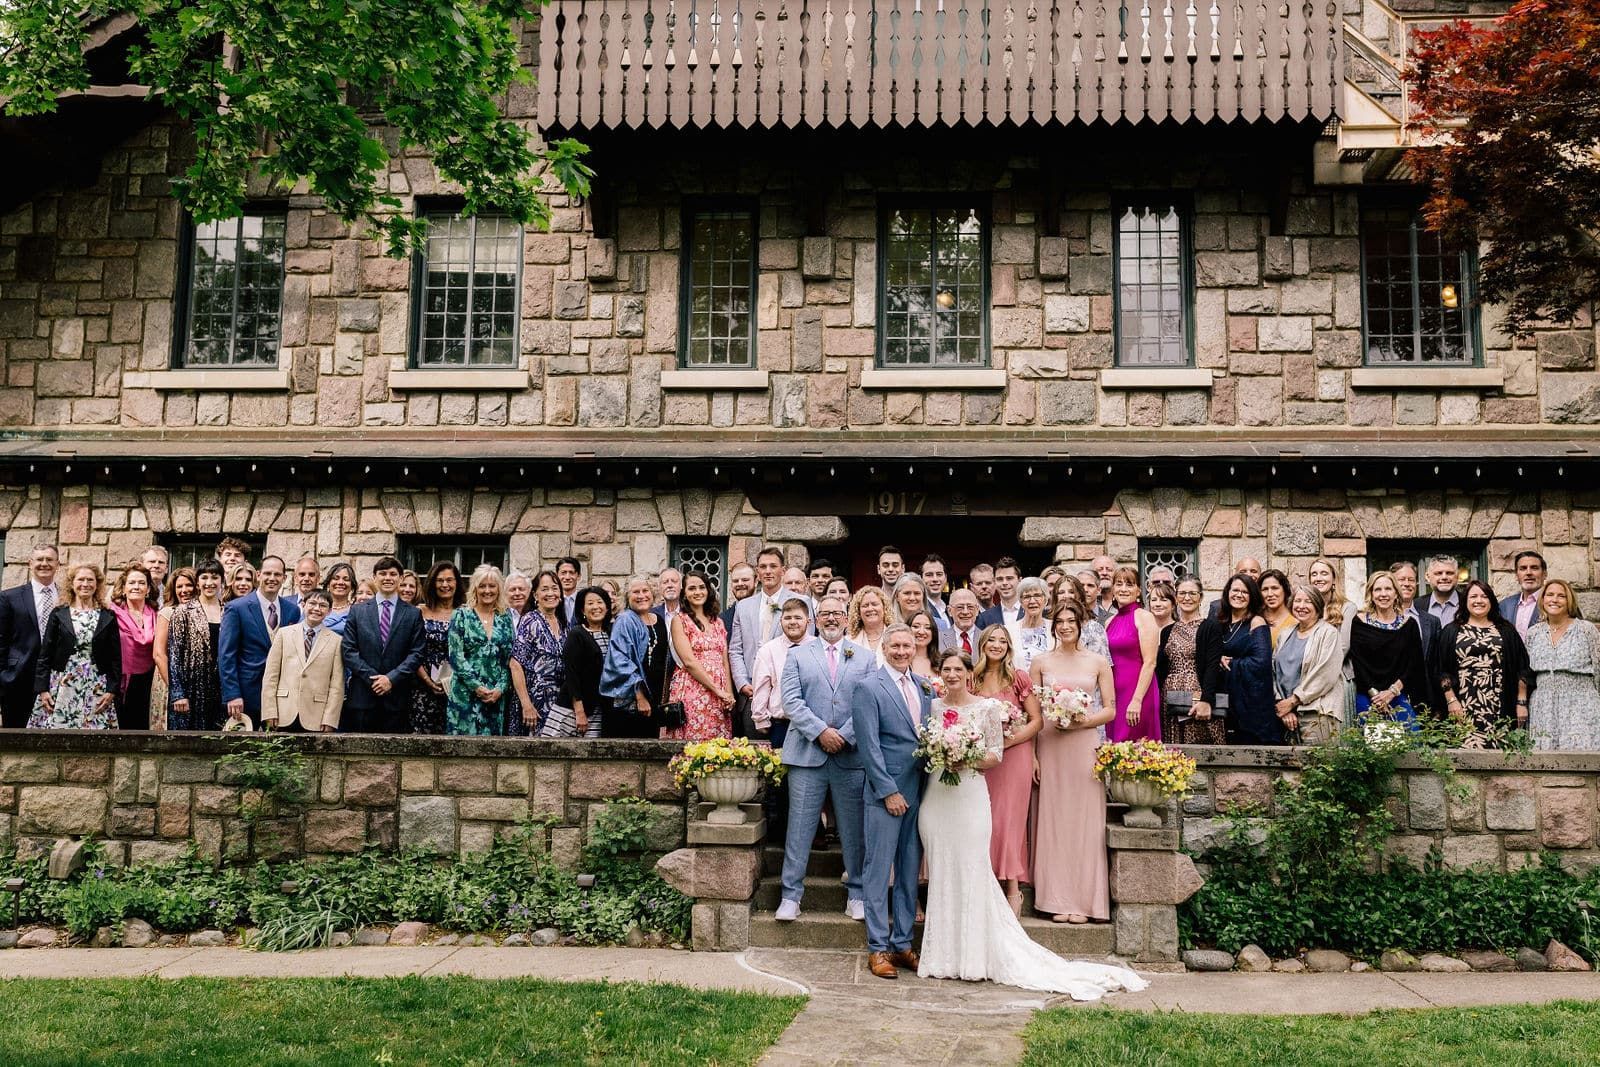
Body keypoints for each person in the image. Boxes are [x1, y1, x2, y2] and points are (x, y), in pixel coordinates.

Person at [921, 647, 1143, 1000]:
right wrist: (940, 753)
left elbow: (995, 754)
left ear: (968, 673)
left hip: (970, 794)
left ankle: (976, 956)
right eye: (945, 670)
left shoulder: (987, 707)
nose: (951, 675)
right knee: (944, 869)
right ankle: (943, 955)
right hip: (937, 799)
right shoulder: (932, 707)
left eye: (956, 670)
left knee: (972, 866)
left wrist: (965, 758)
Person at [778, 594, 872, 923]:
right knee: (800, 828)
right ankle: (791, 895)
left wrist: (844, 734)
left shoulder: (864, 657)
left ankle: (857, 894)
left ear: (847, 619)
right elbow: (790, 701)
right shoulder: (798, 655)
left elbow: (867, 702)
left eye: (837, 613)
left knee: (854, 830)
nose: (831, 618)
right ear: (817, 621)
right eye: (825, 614)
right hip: (807, 753)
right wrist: (820, 732)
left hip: (850, 755)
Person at [1028, 601, 1117, 924]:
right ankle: (1054, 897)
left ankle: (1084, 901)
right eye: (1060, 622)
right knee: (1053, 820)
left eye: (1071, 621)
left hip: (1083, 743)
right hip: (1050, 745)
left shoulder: (1096, 662)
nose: (1065, 626)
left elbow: (1110, 709)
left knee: (1084, 822)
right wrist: (1033, 756)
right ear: (1053, 628)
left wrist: (1081, 721)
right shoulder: (1040, 662)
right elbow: (1032, 713)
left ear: (1081, 625)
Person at [852, 625, 932, 980]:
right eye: (895, 645)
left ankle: (902, 943)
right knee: (878, 870)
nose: (901, 651)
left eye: (907, 645)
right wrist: (887, 791)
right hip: (886, 795)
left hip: (919, 791)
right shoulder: (869, 687)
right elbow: (868, 747)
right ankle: (878, 947)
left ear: (915, 648)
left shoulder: (923, 687)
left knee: (909, 870)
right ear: (883, 648)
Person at [971, 625, 1040, 916]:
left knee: (1009, 822)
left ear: (1009, 646)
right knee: (984, 821)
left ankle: (1013, 889)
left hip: (1014, 757)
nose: (997, 645)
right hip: (984, 761)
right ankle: (983, 886)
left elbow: (1036, 721)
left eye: (1002, 641)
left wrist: (1006, 742)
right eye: (991, 640)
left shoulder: (1018, 678)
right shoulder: (971, 678)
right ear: (983, 644)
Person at [1437, 579, 1531, 748]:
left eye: (1484, 596)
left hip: (1500, 703)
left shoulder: (1506, 630)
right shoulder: (1451, 631)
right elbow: (1441, 669)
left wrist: (1521, 702)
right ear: (1465, 602)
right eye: (1473, 596)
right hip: (1463, 705)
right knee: (1464, 754)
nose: (1478, 601)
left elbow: (1522, 667)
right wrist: (1451, 701)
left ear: (1491, 601)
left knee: (1501, 754)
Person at [31, 562, 120, 730]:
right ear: (72, 584)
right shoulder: (59, 613)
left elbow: (115, 657)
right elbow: (45, 655)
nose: (85, 584)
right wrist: (42, 689)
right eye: (80, 580)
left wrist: (112, 690)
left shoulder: (108, 615)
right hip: (62, 684)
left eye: (90, 580)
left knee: (95, 733)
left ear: (97, 583)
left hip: (96, 684)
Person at [341, 556, 425, 733]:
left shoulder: (412, 614)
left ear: (401, 579)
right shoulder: (357, 611)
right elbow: (349, 651)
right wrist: (374, 679)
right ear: (374, 577)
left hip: (397, 698)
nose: (388, 578)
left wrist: (390, 679)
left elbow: (417, 653)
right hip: (363, 697)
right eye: (383, 573)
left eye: (393, 574)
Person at [218, 555, 298, 730]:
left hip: (281, 694)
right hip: (247, 693)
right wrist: (232, 694)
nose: (272, 578)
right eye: (267, 573)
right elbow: (226, 655)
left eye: (277, 574)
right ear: (259, 575)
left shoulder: (292, 611)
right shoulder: (237, 608)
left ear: (284, 578)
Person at [1347, 571, 1429, 732]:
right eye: (1377, 590)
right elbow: (1358, 663)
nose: (1383, 594)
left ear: (1396, 593)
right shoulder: (1359, 622)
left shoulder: (1409, 624)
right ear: (1371, 594)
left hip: (1399, 694)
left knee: (1413, 745)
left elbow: (1414, 664)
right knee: (1374, 750)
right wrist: (1376, 697)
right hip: (1369, 696)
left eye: (1388, 589)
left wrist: (1392, 692)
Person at [1200, 574, 1277, 744]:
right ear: (1228, 592)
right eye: (1235, 590)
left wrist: (1232, 663)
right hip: (1224, 700)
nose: (1239, 595)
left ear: (1252, 597)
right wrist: (1217, 658)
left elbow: (1261, 663)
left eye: (1245, 592)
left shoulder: (1256, 622)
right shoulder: (1219, 622)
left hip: (1250, 705)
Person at [1525, 579, 1600, 751]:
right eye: (1550, 595)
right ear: (1543, 600)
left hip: (1580, 702)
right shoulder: (1533, 633)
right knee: (1544, 759)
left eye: (1561, 596)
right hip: (1543, 705)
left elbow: (1598, 667)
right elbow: (1528, 672)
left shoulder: (1586, 629)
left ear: (1569, 601)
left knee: (1583, 756)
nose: (1555, 599)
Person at [599, 575, 674, 739]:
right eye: (636, 592)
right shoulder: (625, 620)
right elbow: (620, 661)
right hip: (631, 702)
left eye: (645, 590)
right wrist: (639, 696)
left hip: (653, 699)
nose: (641, 595)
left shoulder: (658, 620)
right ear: (627, 597)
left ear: (652, 594)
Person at [663, 571, 734, 741]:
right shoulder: (679, 620)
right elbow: (688, 661)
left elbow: (724, 660)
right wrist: (717, 690)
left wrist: (728, 694)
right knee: (694, 742)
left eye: (702, 587)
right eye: (692, 588)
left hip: (720, 693)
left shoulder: (718, 621)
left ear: (708, 590)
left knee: (718, 744)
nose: (697, 592)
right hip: (693, 689)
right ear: (684, 594)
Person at [261, 589, 343, 732]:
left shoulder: (336, 641)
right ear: (303, 605)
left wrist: (330, 719)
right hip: (283, 712)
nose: (317, 609)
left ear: (329, 611)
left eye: (323, 605)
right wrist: (270, 711)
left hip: (316, 715)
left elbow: (337, 685)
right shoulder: (284, 634)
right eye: (312, 603)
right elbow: (270, 676)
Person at [446, 564, 515, 736]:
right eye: (482, 586)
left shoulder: (505, 617)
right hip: (464, 695)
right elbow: (456, 656)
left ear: (499, 589)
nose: (487, 591)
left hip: (495, 697)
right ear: (475, 588)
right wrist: (477, 687)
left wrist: (500, 688)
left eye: (492, 586)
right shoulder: (461, 615)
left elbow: (510, 658)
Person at [1158, 575, 1225, 745]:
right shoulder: (1167, 631)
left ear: (1200, 597)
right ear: (1176, 597)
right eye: (1182, 593)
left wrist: (1206, 700)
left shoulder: (1210, 627)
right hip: (1170, 697)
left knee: (1199, 746)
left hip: (1197, 694)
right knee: (1174, 750)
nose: (1187, 598)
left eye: (1192, 593)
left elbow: (1212, 666)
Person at [1273, 586, 1345, 744]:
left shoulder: (1329, 633)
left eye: (1308, 601)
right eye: (1297, 601)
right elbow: (1274, 671)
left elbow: (1325, 675)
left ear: (1317, 606)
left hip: (1318, 713)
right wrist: (1283, 706)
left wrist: (1293, 701)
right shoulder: (1285, 633)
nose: (1301, 606)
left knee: (1320, 766)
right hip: (1287, 714)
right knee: (1292, 768)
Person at [0, 543, 61, 728]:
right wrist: (4, 676)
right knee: (16, 738)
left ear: (58, 564)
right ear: (29, 563)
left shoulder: (66, 597)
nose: (44, 564)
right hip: (18, 679)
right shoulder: (9, 597)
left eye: (49, 559)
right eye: (39, 559)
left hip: (57, 678)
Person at [168, 559, 226, 731]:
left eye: (214, 577)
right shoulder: (183, 611)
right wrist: (178, 694)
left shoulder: (229, 610)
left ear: (222, 581)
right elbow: (174, 655)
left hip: (220, 687)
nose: (209, 583)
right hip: (191, 688)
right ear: (198, 583)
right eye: (204, 578)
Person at [1104, 566, 1160, 743]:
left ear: (1138, 591)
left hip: (1138, 692)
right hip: (1115, 695)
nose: (1123, 589)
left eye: (1129, 584)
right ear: (1113, 589)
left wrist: (1136, 700)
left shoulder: (1144, 617)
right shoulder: (1109, 621)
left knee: (1135, 748)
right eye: (1119, 584)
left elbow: (1150, 662)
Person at [730, 546, 786, 708]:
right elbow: (735, 649)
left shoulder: (798, 602)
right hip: (751, 691)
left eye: (773, 566)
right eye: (763, 567)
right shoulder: (744, 606)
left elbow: (803, 648)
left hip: (785, 691)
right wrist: (741, 682)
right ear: (758, 572)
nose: (768, 571)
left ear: (782, 570)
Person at [513, 570, 568, 737]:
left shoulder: (564, 624)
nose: (550, 593)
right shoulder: (531, 620)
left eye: (554, 588)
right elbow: (515, 663)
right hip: (534, 704)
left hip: (558, 704)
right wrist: (526, 704)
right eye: (544, 589)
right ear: (535, 594)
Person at [751, 594, 813, 741]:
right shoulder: (768, 650)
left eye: (798, 618)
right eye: (788, 618)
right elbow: (761, 685)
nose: (792, 622)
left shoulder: (818, 648)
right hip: (781, 724)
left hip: (814, 724)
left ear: (808, 621)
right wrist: (760, 718)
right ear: (780, 621)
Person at [411, 561, 463, 735]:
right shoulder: (420, 611)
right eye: (440, 580)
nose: (445, 585)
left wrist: (453, 680)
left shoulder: (466, 613)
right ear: (433, 583)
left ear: (457, 582)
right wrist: (428, 681)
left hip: (457, 688)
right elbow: (412, 650)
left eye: (450, 580)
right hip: (422, 687)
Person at [560, 587, 613, 738]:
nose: (596, 607)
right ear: (583, 610)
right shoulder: (577, 633)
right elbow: (572, 674)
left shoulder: (612, 631)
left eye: (600, 602)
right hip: (576, 709)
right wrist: (579, 711)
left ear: (607, 607)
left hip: (600, 706)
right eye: (590, 603)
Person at [149, 567, 196, 730]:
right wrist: (176, 689)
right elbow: (159, 654)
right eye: (179, 587)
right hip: (169, 679)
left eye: (189, 585)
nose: (184, 590)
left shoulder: (204, 612)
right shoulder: (168, 612)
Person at [1390, 561, 1442, 667]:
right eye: (1401, 579)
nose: (1407, 584)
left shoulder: (1432, 622)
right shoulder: (1378, 618)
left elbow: (1436, 663)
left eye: (1411, 580)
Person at [1005, 576, 1054, 672]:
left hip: (1050, 685)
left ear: (1045, 599)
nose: (1032, 601)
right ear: (1021, 602)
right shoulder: (1008, 631)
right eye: (1027, 597)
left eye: (1037, 595)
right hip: (1018, 685)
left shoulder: (1055, 628)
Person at [1499, 550, 1547, 638]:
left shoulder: (1556, 603)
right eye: (1523, 568)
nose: (1528, 573)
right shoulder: (1505, 606)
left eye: (1534, 568)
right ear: (1517, 575)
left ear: (1544, 574)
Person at [847, 586, 891, 662]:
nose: (870, 609)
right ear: (858, 612)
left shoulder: (895, 636)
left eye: (874, 604)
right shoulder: (848, 641)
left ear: (884, 608)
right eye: (865, 605)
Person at [977, 557, 1023, 628]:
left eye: (1009, 578)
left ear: (1019, 581)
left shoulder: (1032, 612)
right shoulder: (984, 618)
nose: (1004, 583)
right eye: (1000, 579)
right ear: (995, 582)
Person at [1424, 554, 1465, 630]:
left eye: (1449, 573)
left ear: (1457, 576)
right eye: (1438, 573)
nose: (1444, 577)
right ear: (1427, 576)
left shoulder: (1468, 603)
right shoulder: (1417, 605)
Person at [1258, 569, 1295, 648]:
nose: (1270, 594)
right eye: (1265, 589)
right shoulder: (1255, 618)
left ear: (1284, 590)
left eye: (1275, 588)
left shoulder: (1295, 622)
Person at [946, 589, 984, 658]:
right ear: (949, 611)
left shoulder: (987, 639)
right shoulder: (938, 639)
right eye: (960, 607)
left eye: (970, 607)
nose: (965, 612)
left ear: (977, 610)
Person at [322, 562, 358, 635]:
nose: (341, 582)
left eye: (346, 579)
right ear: (328, 584)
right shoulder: (318, 608)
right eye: (336, 578)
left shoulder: (357, 612)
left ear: (352, 586)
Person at [722, 563, 757, 635]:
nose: (740, 584)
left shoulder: (765, 611)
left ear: (756, 582)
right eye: (735, 581)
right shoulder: (722, 620)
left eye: (745, 580)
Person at [907, 610, 941, 679]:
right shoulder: (901, 661)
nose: (921, 632)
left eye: (927, 628)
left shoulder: (941, 662)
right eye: (916, 626)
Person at [921, 555, 952, 629]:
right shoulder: (919, 608)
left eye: (939, 574)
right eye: (929, 575)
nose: (935, 579)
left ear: (945, 578)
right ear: (921, 579)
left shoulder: (948, 608)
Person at [1089, 555, 1118, 623]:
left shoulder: (1122, 601)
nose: (1104, 573)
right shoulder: (1087, 602)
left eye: (1109, 570)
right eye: (1100, 570)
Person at [556, 557, 582, 625]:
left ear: (578, 576)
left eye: (571, 572)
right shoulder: (552, 601)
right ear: (557, 575)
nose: (567, 577)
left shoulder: (584, 600)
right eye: (563, 573)